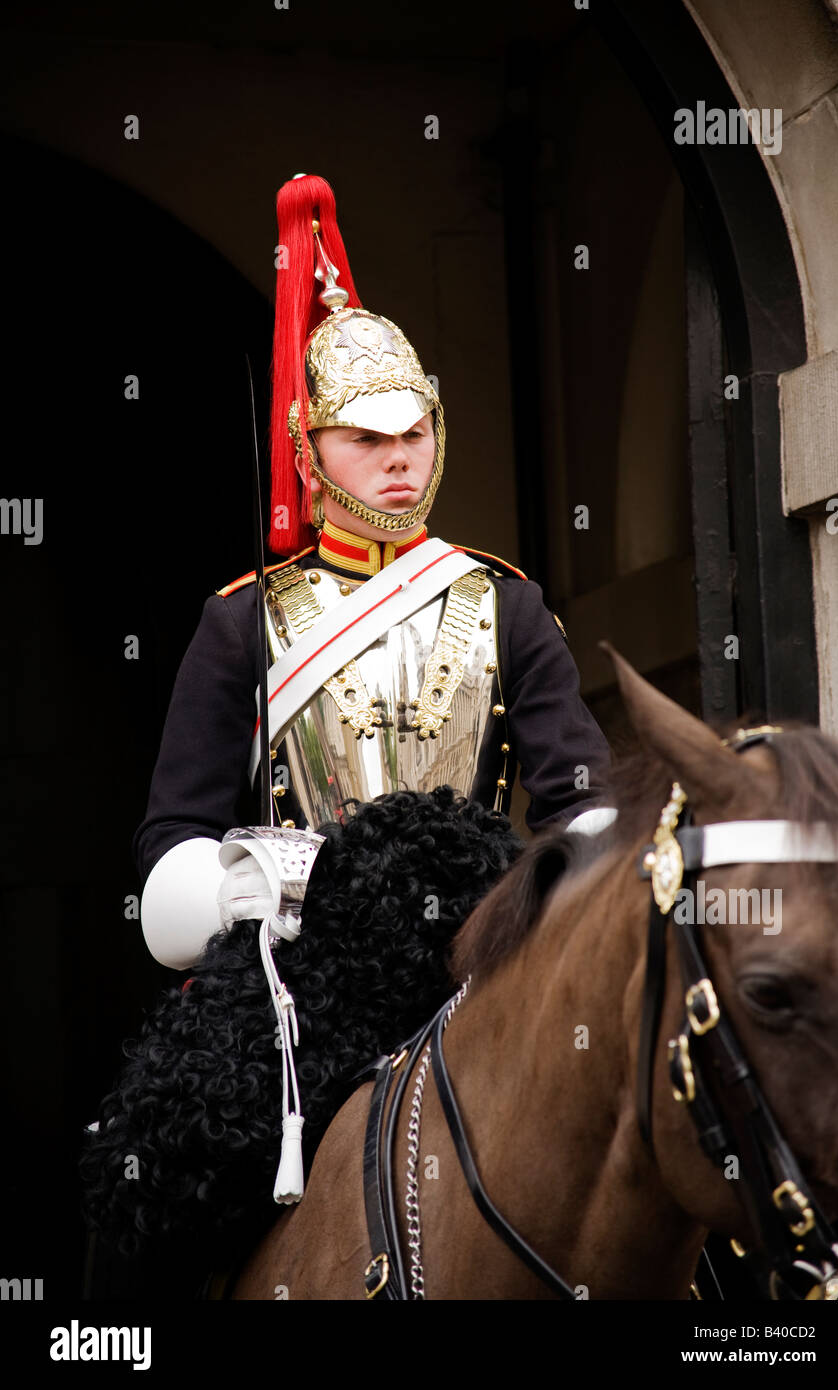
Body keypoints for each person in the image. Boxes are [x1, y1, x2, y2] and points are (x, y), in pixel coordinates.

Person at [81, 174, 610, 1281]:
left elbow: (575, 797)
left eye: (416, 430)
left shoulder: (502, 600)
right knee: (161, 1176)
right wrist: (247, 887)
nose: (401, 456)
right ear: (309, 445)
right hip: (298, 981)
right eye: (368, 438)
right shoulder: (243, 622)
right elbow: (171, 832)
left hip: (483, 960)